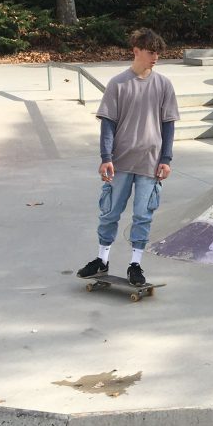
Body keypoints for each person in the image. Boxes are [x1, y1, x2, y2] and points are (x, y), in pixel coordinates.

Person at [77, 28, 180, 287]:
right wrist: (105, 156)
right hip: (121, 161)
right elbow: (107, 123)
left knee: (143, 215)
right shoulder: (118, 84)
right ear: (136, 51)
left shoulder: (164, 85)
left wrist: (166, 159)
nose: (155, 57)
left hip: (150, 162)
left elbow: (168, 124)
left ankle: (135, 264)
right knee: (110, 212)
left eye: (158, 53)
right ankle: (102, 259)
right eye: (150, 52)